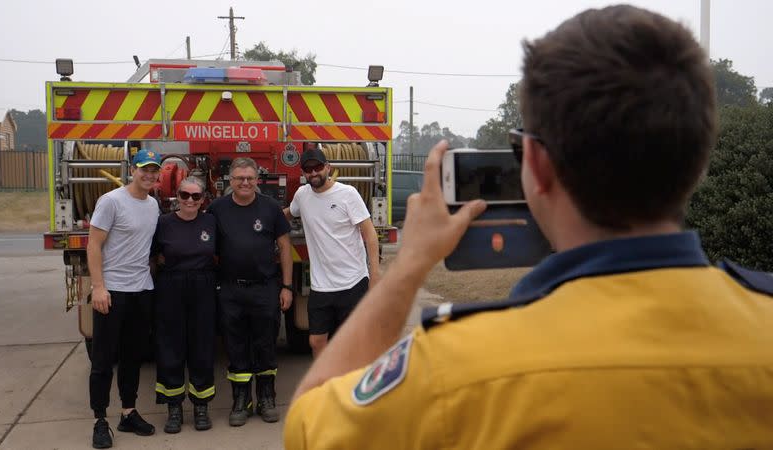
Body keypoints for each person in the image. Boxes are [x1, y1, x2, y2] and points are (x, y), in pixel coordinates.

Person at [284, 5, 773, 449]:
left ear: (535, 165)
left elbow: (308, 427)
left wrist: (410, 266)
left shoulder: (453, 372)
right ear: (700, 160)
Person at [206, 157, 293, 426]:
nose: (244, 183)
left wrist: (287, 286)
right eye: (239, 178)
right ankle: (241, 400)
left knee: (265, 344)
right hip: (230, 289)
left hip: (264, 289)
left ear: (257, 180)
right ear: (229, 181)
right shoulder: (216, 208)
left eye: (249, 178)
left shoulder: (270, 208)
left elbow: (285, 247)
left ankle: (266, 397)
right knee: (236, 346)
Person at [87, 149, 161, 449]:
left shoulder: (153, 205)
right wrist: (98, 287)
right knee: (104, 359)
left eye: (154, 170)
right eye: (144, 169)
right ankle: (100, 420)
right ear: (133, 170)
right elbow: (93, 245)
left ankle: (128, 412)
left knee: (133, 356)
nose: (149, 175)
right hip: (113, 291)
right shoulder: (111, 201)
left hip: (141, 290)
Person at [284, 148, 380, 357]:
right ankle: (327, 384)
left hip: (353, 282)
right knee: (316, 341)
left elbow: (370, 235)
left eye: (318, 167)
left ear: (328, 167)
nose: (313, 173)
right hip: (322, 286)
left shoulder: (348, 194)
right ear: (303, 173)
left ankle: (352, 385)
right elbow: (288, 215)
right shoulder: (302, 195)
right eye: (308, 170)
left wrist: (375, 275)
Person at [152, 176, 217, 433]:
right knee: (170, 346)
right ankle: (174, 407)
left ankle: (201, 406)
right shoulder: (163, 223)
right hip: (171, 286)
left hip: (203, 286)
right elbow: (152, 257)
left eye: (196, 196)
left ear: (203, 200)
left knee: (202, 346)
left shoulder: (211, 222)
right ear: (176, 197)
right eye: (184, 195)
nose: (190, 200)